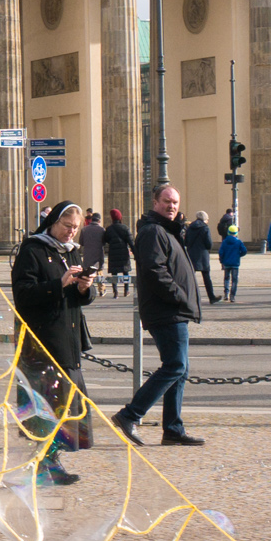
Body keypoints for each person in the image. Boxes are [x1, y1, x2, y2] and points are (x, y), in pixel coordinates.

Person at [10, 201, 99, 485]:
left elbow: (80, 298)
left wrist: (86, 289)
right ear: (53, 223)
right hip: (42, 340)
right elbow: (22, 294)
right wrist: (57, 285)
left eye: (75, 228)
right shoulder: (33, 249)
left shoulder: (72, 252)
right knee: (48, 405)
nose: (70, 233)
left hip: (67, 339)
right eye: (66, 226)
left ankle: (50, 460)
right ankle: (45, 465)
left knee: (66, 405)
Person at [114, 185, 204, 448]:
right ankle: (129, 415)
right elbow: (155, 270)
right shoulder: (153, 231)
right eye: (166, 201)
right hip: (166, 309)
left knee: (180, 369)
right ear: (155, 203)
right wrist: (178, 296)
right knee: (175, 366)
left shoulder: (167, 230)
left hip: (173, 309)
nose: (172, 206)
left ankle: (173, 429)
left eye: (175, 202)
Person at [182, 210, 220, 305]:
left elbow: (186, 241)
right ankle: (211, 297)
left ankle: (188, 297)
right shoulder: (205, 228)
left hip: (191, 254)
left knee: (190, 277)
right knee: (206, 277)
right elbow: (208, 243)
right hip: (203, 255)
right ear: (204, 219)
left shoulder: (190, 227)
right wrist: (208, 248)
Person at [102, 208, 132, 297]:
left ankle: (115, 292)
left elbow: (105, 239)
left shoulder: (109, 229)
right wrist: (136, 253)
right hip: (124, 253)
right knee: (125, 272)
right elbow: (131, 242)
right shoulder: (125, 228)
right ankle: (126, 291)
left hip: (113, 253)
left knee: (114, 273)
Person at [217, 221, 246, 301]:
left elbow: (221, 252)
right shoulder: (238, 242)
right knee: (234, 280)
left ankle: (226, 294)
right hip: (235, 263)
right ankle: (232, 296)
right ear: (236, 233)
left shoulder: (224, 242)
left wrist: (222, 260)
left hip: (226, 263)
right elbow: (244, 251)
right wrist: (239, 255)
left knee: (226, 278)